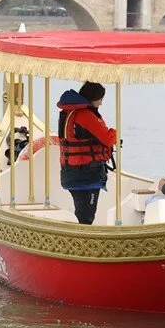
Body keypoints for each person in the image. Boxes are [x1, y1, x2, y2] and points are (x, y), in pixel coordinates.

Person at [57, 81, 117, 225]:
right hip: (87, 176)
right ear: (93, 97)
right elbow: (108, 139)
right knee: (86, 218)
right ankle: (79, 245)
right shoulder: (86, 115)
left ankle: (76, 241)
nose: (101, 103)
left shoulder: (69, 112)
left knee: (82, 213)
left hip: (70, 173)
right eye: (100, 99)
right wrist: (115, 132)